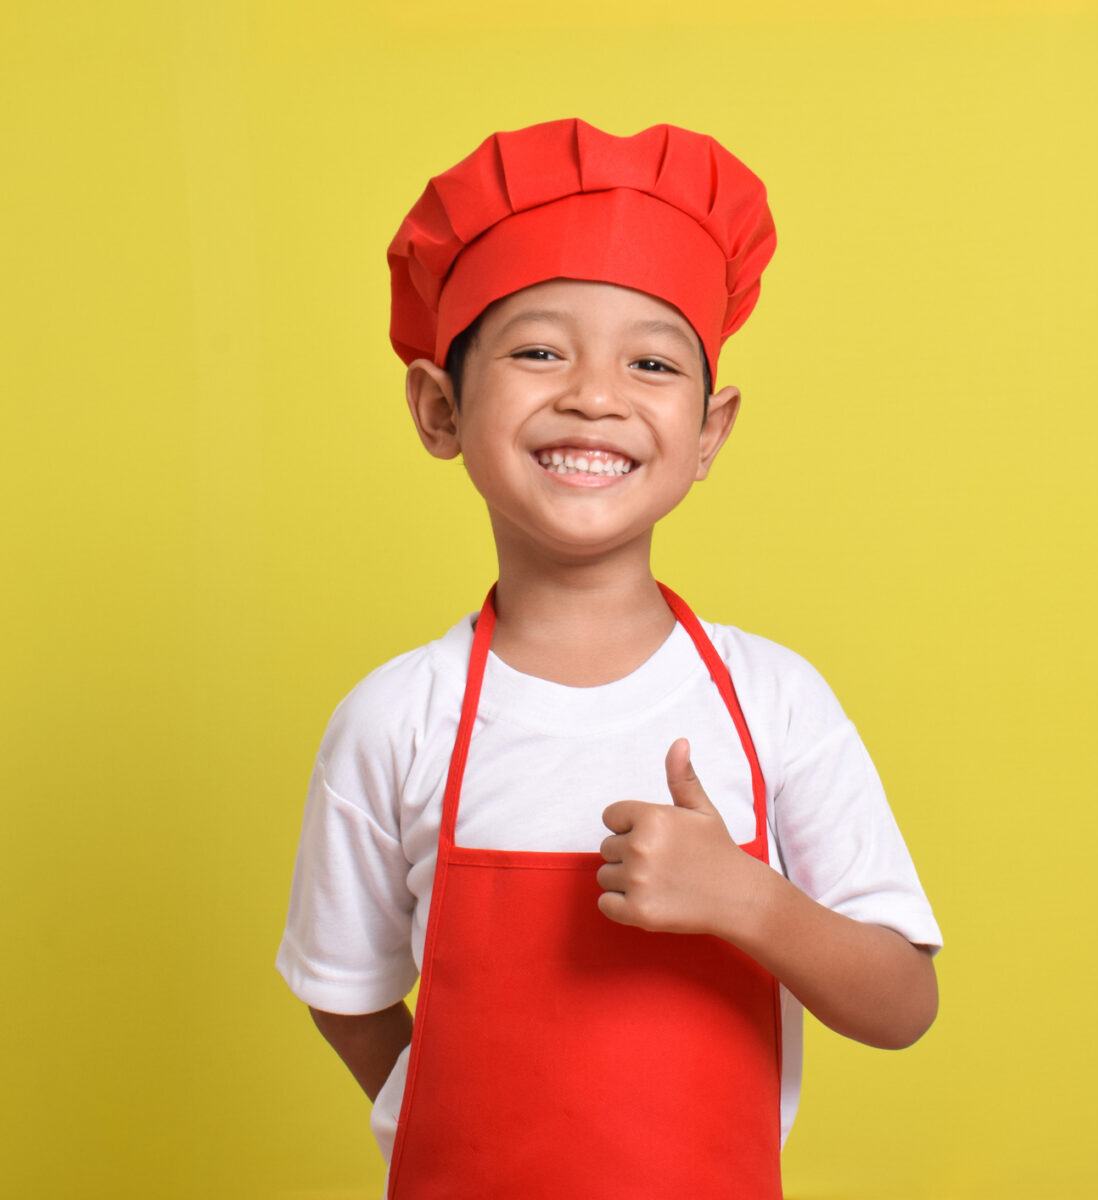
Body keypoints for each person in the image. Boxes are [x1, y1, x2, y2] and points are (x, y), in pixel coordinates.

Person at [277, 118, 942, 1200]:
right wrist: (437, 1115)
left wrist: (748, 901)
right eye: (540, 350)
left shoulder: (771, 704)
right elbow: (343, 988)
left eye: (651, 361)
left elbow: (903, 1007)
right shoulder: (396, 719)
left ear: (710, 430)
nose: (594, 393)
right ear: (439, 408)